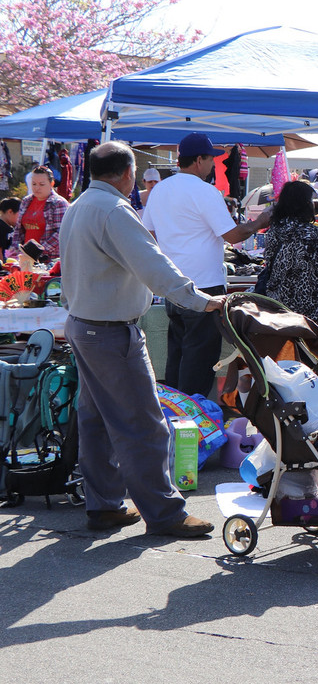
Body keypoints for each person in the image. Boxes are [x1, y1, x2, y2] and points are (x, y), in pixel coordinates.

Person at [59, 141, 221, 538]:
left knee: (95, 422)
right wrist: (201, 301)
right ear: (129, 173)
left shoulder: (79, 205)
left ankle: (105, 506)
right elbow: (154, 265)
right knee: (144, 425)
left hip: (84, 324)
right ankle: (165, 514)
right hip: (110, 331)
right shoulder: (113, 210)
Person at [142, 133, 271, 398]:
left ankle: (176, 417)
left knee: (178, 355)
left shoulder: (160, 190)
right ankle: (193, 424)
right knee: (198, 361)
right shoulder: (205, 191)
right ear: (199, 160)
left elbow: (150, 236)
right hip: (204, 287)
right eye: (212, 159)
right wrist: (261, 221)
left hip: (172, 285)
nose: (215, 165)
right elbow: (233, 236)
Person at [262, 181, 318, 339]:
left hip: (280, 311)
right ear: (303, 204)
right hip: (312, 315)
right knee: (314, 360)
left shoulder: (274, 232)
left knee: (286, 359)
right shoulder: (312, 234)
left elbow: (270, 264)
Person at [9, 165, 68, 260]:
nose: (37, 188)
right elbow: (18, 230)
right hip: (25, 258)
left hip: (49, 259)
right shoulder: (26, 201)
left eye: (42, 184)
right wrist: (15, 250)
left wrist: (38, 251)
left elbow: (61, 233)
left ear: (52, 184)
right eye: (34, 184)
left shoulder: (59, 203)